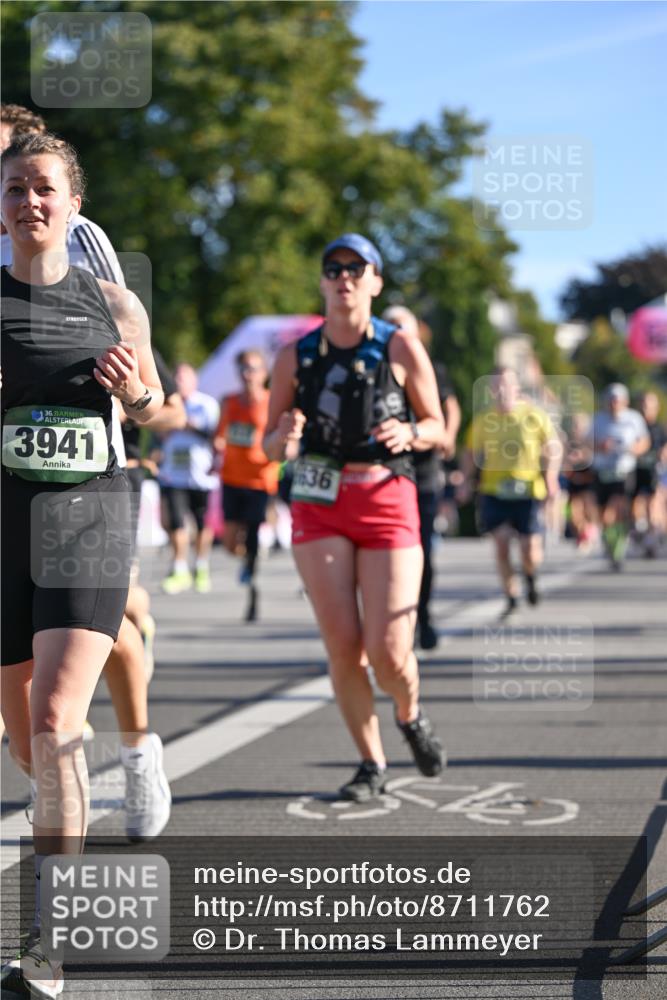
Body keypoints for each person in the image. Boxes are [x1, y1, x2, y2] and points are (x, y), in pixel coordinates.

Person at [0, 132, 164, 998]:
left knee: (57, 718)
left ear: (72, 204)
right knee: (32, 745)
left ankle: (44, 941)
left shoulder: (112, 303)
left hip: (86, 516)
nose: (31, 201)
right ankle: (70, 791)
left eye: (45, 188)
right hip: (2, 522)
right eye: (17, 188)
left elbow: (152, 408)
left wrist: (133, 389)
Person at [263, 233, 446, 803]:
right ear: (322, 281)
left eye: (355, 268)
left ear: (375, 281)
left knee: (391, 652)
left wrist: (412, 431)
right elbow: (269, 447)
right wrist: (284, 436)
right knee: (344, 647)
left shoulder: (400, 347)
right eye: (333, 268)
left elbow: (438, 422)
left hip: (387, 497)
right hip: (319, 502)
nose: (343, 277)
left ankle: (410, 714)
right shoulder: (296, 354)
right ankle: (371, 762)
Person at [382, 306, 460, 650]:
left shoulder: (428, 366)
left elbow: (449, 407)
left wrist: (448, 435)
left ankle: (423, 616)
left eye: (403, 325)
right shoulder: (371, 366)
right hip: (381, 473)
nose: (396, 330)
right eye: (390, 325)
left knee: (421, 551)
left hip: (422, 472)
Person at [458, 366, 561, 617]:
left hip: (527, 490)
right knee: (502, 544)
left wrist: (551, 477)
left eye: (507, 385)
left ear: (517, 388)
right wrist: (464, 481)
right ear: (492, 390)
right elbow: (470, 452)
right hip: (494, 490)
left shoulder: (534, 415)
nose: (502, 390)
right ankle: (511, 595)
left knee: (529, 549)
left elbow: (553, 447)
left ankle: (530, 575)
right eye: (497, 385)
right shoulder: (483, 420)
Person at [214, 349, 280, 621]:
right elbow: (220, 435)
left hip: (260, 479)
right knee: (229, 542)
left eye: (253, 369)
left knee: (252, 534)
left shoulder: (272, 402)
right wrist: (216, 449)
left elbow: (279, 437)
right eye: (243, 369)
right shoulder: (229, 401)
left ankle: (252, 587)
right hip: (231, 477)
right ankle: (246, 560)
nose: (247, 374)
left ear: (264, 374)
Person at [157, 363, 220, 593]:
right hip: (174, 473)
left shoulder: (206, 404)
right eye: (177, 378)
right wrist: (170, 426)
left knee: (202, 523)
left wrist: (189, 425)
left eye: (184, 378)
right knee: (176, 522)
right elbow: (158, 432)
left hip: (201, 474)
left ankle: (201, 565)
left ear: (194, 381)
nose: (180, 382)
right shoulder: (168, 405)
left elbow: (215, 436)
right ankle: (180, 567)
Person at [592, 383, 650, 570]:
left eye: (617, 400)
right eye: (611, 400)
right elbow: (586, 442)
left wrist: (634, 449)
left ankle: (619, 546)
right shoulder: (598, 419)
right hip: (602, 471)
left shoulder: (633, 418)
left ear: (624, 401)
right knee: (604, 514)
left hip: (624, 471)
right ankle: (609, 540)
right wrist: (601, 447)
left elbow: (644, 441)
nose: (614, 404)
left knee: (620, 508)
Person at [630, 391, 667, 557]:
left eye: (650, 405)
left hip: (654, 470)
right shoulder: (633, 425)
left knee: (654, 504)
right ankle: (640, 529)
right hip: (635, 470)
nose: (646, 409)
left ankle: (655, 535)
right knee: (635, 503)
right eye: (644, 404)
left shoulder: (659, 428)